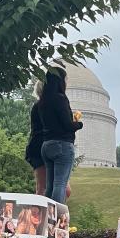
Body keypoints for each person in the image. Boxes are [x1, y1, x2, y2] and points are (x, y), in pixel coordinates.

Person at [37, 65, 82, 204]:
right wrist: (78, 123)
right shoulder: (60, 98)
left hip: (46, 145)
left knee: (49, 185)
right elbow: (67, 125)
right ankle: (56, 216)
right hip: (62, 145)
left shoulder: (42, 102)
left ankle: (47, 215)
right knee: (60, 183)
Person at [26, 78, 71, 199]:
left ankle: (51, 215)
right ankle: (41, 216)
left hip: (45, 147)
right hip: (40, 148)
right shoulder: (42, 106)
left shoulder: (44, 105)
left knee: (63, 189)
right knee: (43, 188)